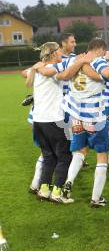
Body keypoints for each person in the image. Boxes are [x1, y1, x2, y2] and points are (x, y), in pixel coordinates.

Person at [37, 38, 109, 207]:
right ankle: (96, 198)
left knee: (80, 152)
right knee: (102, 156)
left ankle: (68, 184)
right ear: (100, 50)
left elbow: (56, 73)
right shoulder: (98, 61)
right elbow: (107, 73)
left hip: (77, 117)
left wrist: (80, 64)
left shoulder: (73, 60)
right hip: (95, 118)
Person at [30, 42, 91, 203]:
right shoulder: (50, 69)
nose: (60, 54)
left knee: (48, 156)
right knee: (64, 156)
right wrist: (81, 62)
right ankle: (57, 193)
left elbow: (28, 74)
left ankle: (44, 190)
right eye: (58, 51)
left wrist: (78, 59)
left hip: (38, 121)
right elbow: (65, 75)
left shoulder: (39, 69)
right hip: (52, 121)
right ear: (52, 54)